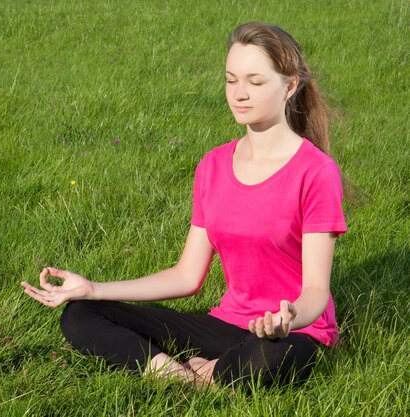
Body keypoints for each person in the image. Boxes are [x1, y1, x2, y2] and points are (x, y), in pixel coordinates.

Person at [20, 22, 348, 390]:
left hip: (290, 333)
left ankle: (209, 372)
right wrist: (93, 288)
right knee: (80, 315)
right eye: (231, 79)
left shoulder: (316, 171)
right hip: (226, 325)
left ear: (289, 86)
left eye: (255, 82)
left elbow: (317, 290)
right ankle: (182, 376)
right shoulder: (213, 165)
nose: (239, 93)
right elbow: (187, 276)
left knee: (272, 355)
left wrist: (289, 316)